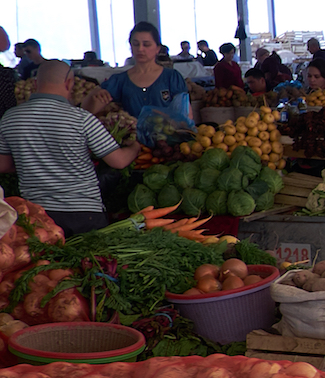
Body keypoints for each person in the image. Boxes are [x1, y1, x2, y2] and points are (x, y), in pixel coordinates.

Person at [0, 60, 142, 235]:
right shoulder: (81, 118)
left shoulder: (10, 118)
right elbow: (119, 161)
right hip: (84, 214)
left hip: (38, 216)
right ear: (69, 83)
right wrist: (135, 147)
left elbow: (3, 165)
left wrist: (33, 162)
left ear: (35, 83)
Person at [84, 23, 193, 127]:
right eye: (136, 44)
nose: (140, 49)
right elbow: (86, 113)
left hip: (167, 138)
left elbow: (186, 116)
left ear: (157, 48)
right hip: (132, 137)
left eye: (146, 44)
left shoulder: (172, 77)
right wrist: (93, 95)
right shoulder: (119, 80)